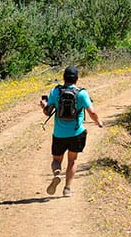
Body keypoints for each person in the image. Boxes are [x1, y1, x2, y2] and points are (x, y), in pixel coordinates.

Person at [40, 65, 103, 197]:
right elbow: (92, 112)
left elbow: (47, 112)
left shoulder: (55, 91)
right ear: (77, 79)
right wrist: (98, 122)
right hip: (76, 133)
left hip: (59, 134)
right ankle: (67, 189)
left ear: (63, 78)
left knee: (56, 160)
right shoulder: (82, 93)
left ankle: (57, 172)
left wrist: (43, 105)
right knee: (72, 161)